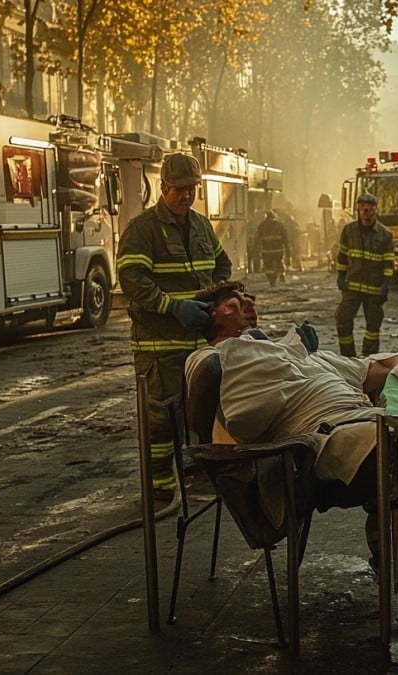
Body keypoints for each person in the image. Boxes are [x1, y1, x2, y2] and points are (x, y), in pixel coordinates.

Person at [187, 280, 398, 560]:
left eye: (250, 298)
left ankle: (396, 549)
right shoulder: (217, 357)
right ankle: (394, 571)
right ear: (211, 315)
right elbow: (234, 412)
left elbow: (377, 367)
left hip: (356, 419)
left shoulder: (295, 354)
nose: (249, 303)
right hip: (314, 447)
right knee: (388, 444)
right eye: (234, 303)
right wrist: (233, 346)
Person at [117, 152, 231, 501]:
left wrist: (215, 298)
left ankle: (200, 478)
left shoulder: (200, 225)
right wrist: (173, 306)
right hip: (159, 346)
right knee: (160, 422)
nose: (186, 195)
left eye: (191, 188)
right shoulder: (142, 230)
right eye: (179, 189)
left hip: (197, 345)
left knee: (202, 414)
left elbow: (222, 264)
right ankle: (160, 492)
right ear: (163, 187)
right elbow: (131, 279)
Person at [335, 193, 395, 356]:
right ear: (358, 210)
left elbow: (389, 262)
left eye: (369, 209)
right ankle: (348, 357)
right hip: (352, 286)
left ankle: (369, 357)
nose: (365, 212)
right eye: (362, 208)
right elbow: (342, 256)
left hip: (374, 289)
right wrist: (341, 276)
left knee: (373, 327)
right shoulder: (348, 231)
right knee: (342, 321)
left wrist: (385, 284)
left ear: (376, 210)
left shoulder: (385, 234)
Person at [254, 211, 290, 287]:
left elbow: (257, 238)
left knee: (268, 266)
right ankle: (282, 274)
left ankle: (271, 281)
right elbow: (285, 239)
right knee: (279, 262)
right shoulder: (280, 225)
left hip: (267, 251)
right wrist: (287, 250)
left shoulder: (262, 225)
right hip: (278, 250)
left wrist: (256, 250)